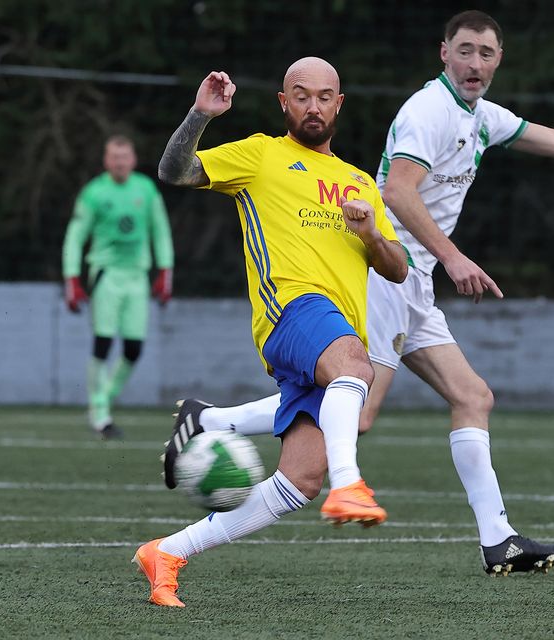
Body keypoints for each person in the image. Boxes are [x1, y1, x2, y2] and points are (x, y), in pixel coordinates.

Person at [162, 9, 554, 578]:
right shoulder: (428, 111)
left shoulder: (481, 116)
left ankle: (497, 539)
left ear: (499, 60)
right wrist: (452, 257)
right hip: (380, 274)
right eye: (466, 50)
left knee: (472, 396)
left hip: (414, 281)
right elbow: (399, 191)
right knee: (356, 412)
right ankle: (223, 429)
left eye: (487, 53)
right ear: (444, 54)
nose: (476, 62)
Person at [134, 58, 409, 607]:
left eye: (324, 96)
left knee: (299, 483)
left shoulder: (359, 182)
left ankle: (167, 550)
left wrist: (371, 233)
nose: (314, 106)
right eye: (301, 96)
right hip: (289, 313)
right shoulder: (261, 154)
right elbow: (175, 171)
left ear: (339, 104)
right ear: (284, 103)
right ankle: (350, 485)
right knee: (357, 368)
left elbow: (397, 267)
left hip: (333, 331)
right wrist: (199, 115)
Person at [62, 135, 175, 439]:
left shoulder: (146, 189)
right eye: (114, 157)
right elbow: (76, 235)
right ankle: (99, 413)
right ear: (106, 161)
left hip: (137, 277)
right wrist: (71, 276)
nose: (120, 162)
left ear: (133, 160)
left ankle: (104, 399)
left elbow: (160, 230)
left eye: (125, 157)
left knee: (134, 349)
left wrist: (165, 269)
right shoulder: (94, 193)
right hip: (106, 275)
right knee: (102, 342)